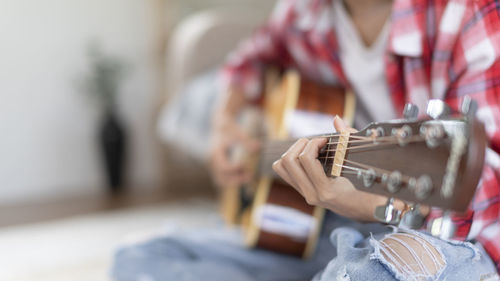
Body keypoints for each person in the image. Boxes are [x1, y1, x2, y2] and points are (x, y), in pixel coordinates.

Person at [112, 0, 500, 280]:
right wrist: (225, 120)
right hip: (317, 228)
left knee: (364, 273)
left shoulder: (467, 14)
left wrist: (381, 206)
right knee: (139, 258)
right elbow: (248, 61)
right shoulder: (304, 12)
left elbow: (484, 192)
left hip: (435, 234)